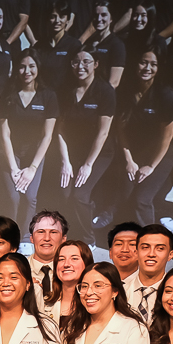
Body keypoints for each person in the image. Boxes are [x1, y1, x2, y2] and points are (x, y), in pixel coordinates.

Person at [100, 49, 173, 226]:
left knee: (142, 199)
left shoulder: (165, 94)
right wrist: (129, 160)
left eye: (153, 64)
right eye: (143, 62)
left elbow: (168, 136)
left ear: (159, 68)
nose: (147, 68)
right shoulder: (126, 91)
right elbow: (121, 129)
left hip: (160, 155)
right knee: (125, 195)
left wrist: (150, 166)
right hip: (133, 154)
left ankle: (150, 241)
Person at [55, 49, 116, 241]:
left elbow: (103, 132)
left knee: (80, 194)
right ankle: (70, 233)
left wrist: (88, 165)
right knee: (65, 192)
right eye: (76, 61)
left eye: (86, 61)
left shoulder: (105, 91)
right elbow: (60, 130)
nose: (80, 66)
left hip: (99, 153)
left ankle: (88, 239)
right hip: (72, 152)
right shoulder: (66, 90)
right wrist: (65, 162)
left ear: (96, 64)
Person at [0, 49, 59, 227]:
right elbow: (4, 134)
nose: (27, 71)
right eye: (22, 67)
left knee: (30, 196)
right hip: (11, 152)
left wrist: (32, 168)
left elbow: (47, 135)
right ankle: (10, 231)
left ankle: (25, 235)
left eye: (31, 66)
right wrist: (14, 168)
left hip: (35, 154)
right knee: (13, 196)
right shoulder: (8, 95)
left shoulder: (48, 96)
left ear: (38, 68)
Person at [33, 0, 82, 91]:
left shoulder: (74, 45)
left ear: (68, 20)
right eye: (53, 17)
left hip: (64, 97)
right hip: (43, 97)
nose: (57, 21)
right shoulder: (39, 46)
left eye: (62, 16)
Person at [124, 224, 173, 320]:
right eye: (145, 247)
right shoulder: (121, 292)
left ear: (170, 255)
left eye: (160, 249)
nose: (151, 254)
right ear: (136, 252)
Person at [82, 3, 126, 87]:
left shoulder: (117, 44)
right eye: (96, 15)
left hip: (103, 95)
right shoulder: (89, 42)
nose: (99, 19)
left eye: (103, 15)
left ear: (111, 19)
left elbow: (114, 82)